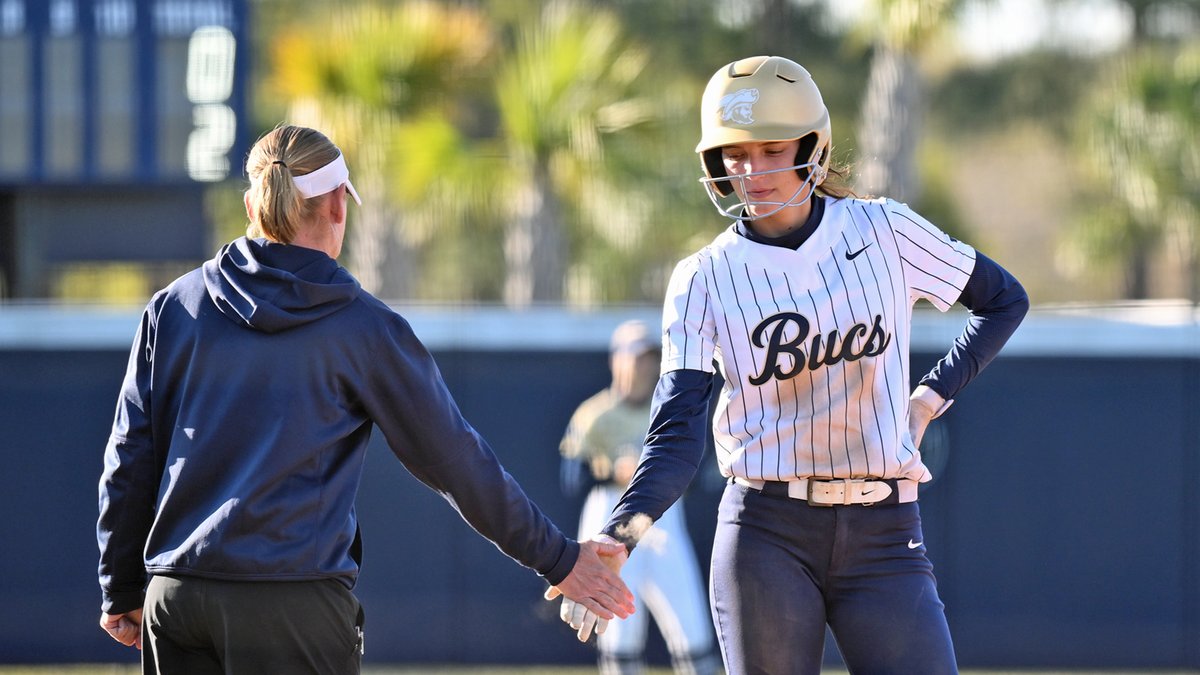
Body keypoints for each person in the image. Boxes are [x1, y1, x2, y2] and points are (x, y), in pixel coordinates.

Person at [549, 55, 1029, 674]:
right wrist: (620, 534)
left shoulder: (886, 231)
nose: (752, 170)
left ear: (814, 146)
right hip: (766, 530)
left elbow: (1003, 300)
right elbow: (675, 436)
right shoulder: (702, 277)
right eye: (735, 153)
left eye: (772, 148)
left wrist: (928, 397)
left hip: (883, 528)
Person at [96, 124, 634, 674]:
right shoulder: (363, 327)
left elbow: (130, 458)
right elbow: (455, 461)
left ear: (252, 205)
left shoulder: (173, 307)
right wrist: (561, 559)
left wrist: (120, 584)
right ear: (336, 205)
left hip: (177, 599)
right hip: (292, 605)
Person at [558, 320, 719, 675]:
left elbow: (694, 468)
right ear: (618, 360)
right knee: (618, 635)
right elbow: (573, 479)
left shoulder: (664, 412)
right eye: (637, 358)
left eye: (650, 359)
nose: (644, 367)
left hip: (659, 516)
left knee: (690, 624)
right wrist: (613, 470)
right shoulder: (594, 414)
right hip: (609, 511)